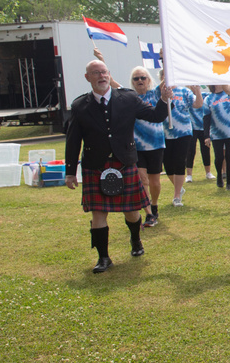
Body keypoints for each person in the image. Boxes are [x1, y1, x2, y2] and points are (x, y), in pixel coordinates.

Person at [64, 60, 169, 273]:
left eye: (104, 72)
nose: (101, 76)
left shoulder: (128, 98)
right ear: (88, 78)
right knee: (98, 213)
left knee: (131, 211)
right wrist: (69, 172)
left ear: (109, 74)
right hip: (95, 165)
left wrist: (164, 100)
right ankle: (103, 257)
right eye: (96, 73)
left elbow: (156, 116)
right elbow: (73, 140)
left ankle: (136, 241)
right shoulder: (80, 106)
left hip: (124, 162)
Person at [130, 66, 166, 227]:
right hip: (137, 146)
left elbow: (169, 81)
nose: (139, 81)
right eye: (136, 78)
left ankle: (154, 204)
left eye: (142, 78)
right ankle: (149, 214)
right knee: (142, 180)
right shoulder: (130, 98)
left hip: (156, 143)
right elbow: (112, 84)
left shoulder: (156, 93)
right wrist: (101, 61)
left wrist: (165, 59)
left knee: (154, 181)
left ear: (149, 80)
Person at [162, 83, 203, 207]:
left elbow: (198, 104)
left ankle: (176, 196)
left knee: (179, 163)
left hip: (183, 132)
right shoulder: (159, 91)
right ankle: (178, 187)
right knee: (167, 165)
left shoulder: (184, 91)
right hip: (164, 133)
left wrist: (198, 91)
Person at [205, 85, 230, 189]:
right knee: (219, 157)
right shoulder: (209, 99)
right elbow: (206, 118)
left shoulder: (229, 95)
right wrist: (206, 136)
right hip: (217, 133)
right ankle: (219, 176)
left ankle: (229, 182)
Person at [186, 85, 215, 181]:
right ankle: (189, 175)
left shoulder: (205, 95)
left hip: (203, 127)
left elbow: (202, 103)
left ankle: (208, 172)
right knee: (190, 151)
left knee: (205, 150)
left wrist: (198, 90)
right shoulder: (188, 96)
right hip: (192, 127)